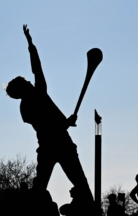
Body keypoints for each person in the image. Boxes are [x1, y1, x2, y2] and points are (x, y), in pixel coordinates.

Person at [5, 25, 93, 206]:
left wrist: (31, 45)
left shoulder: (30, 102)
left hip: (49, 148)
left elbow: (37, 69)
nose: (30, 81)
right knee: (78, 184)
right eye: (26, 81)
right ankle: (92, 214)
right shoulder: (35, 98)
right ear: (22, 89)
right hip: (56, 145)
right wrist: (65, 123)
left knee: (42, 188)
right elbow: (47, 128)